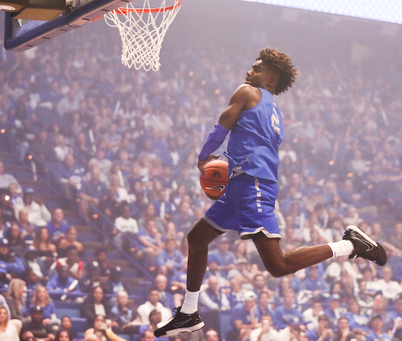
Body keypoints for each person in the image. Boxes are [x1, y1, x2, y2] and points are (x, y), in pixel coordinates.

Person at [154, 47, 387, 338]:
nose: (249, 72)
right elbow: (254, 146)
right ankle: (189, 312)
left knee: (278, 266)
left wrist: (203, 159)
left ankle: (351, 245)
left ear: (271, 78)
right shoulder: (275, 113)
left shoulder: (247, 92)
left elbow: (221, 128)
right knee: (197, 239)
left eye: (257, 68)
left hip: (251, 184)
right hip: (245, 184)